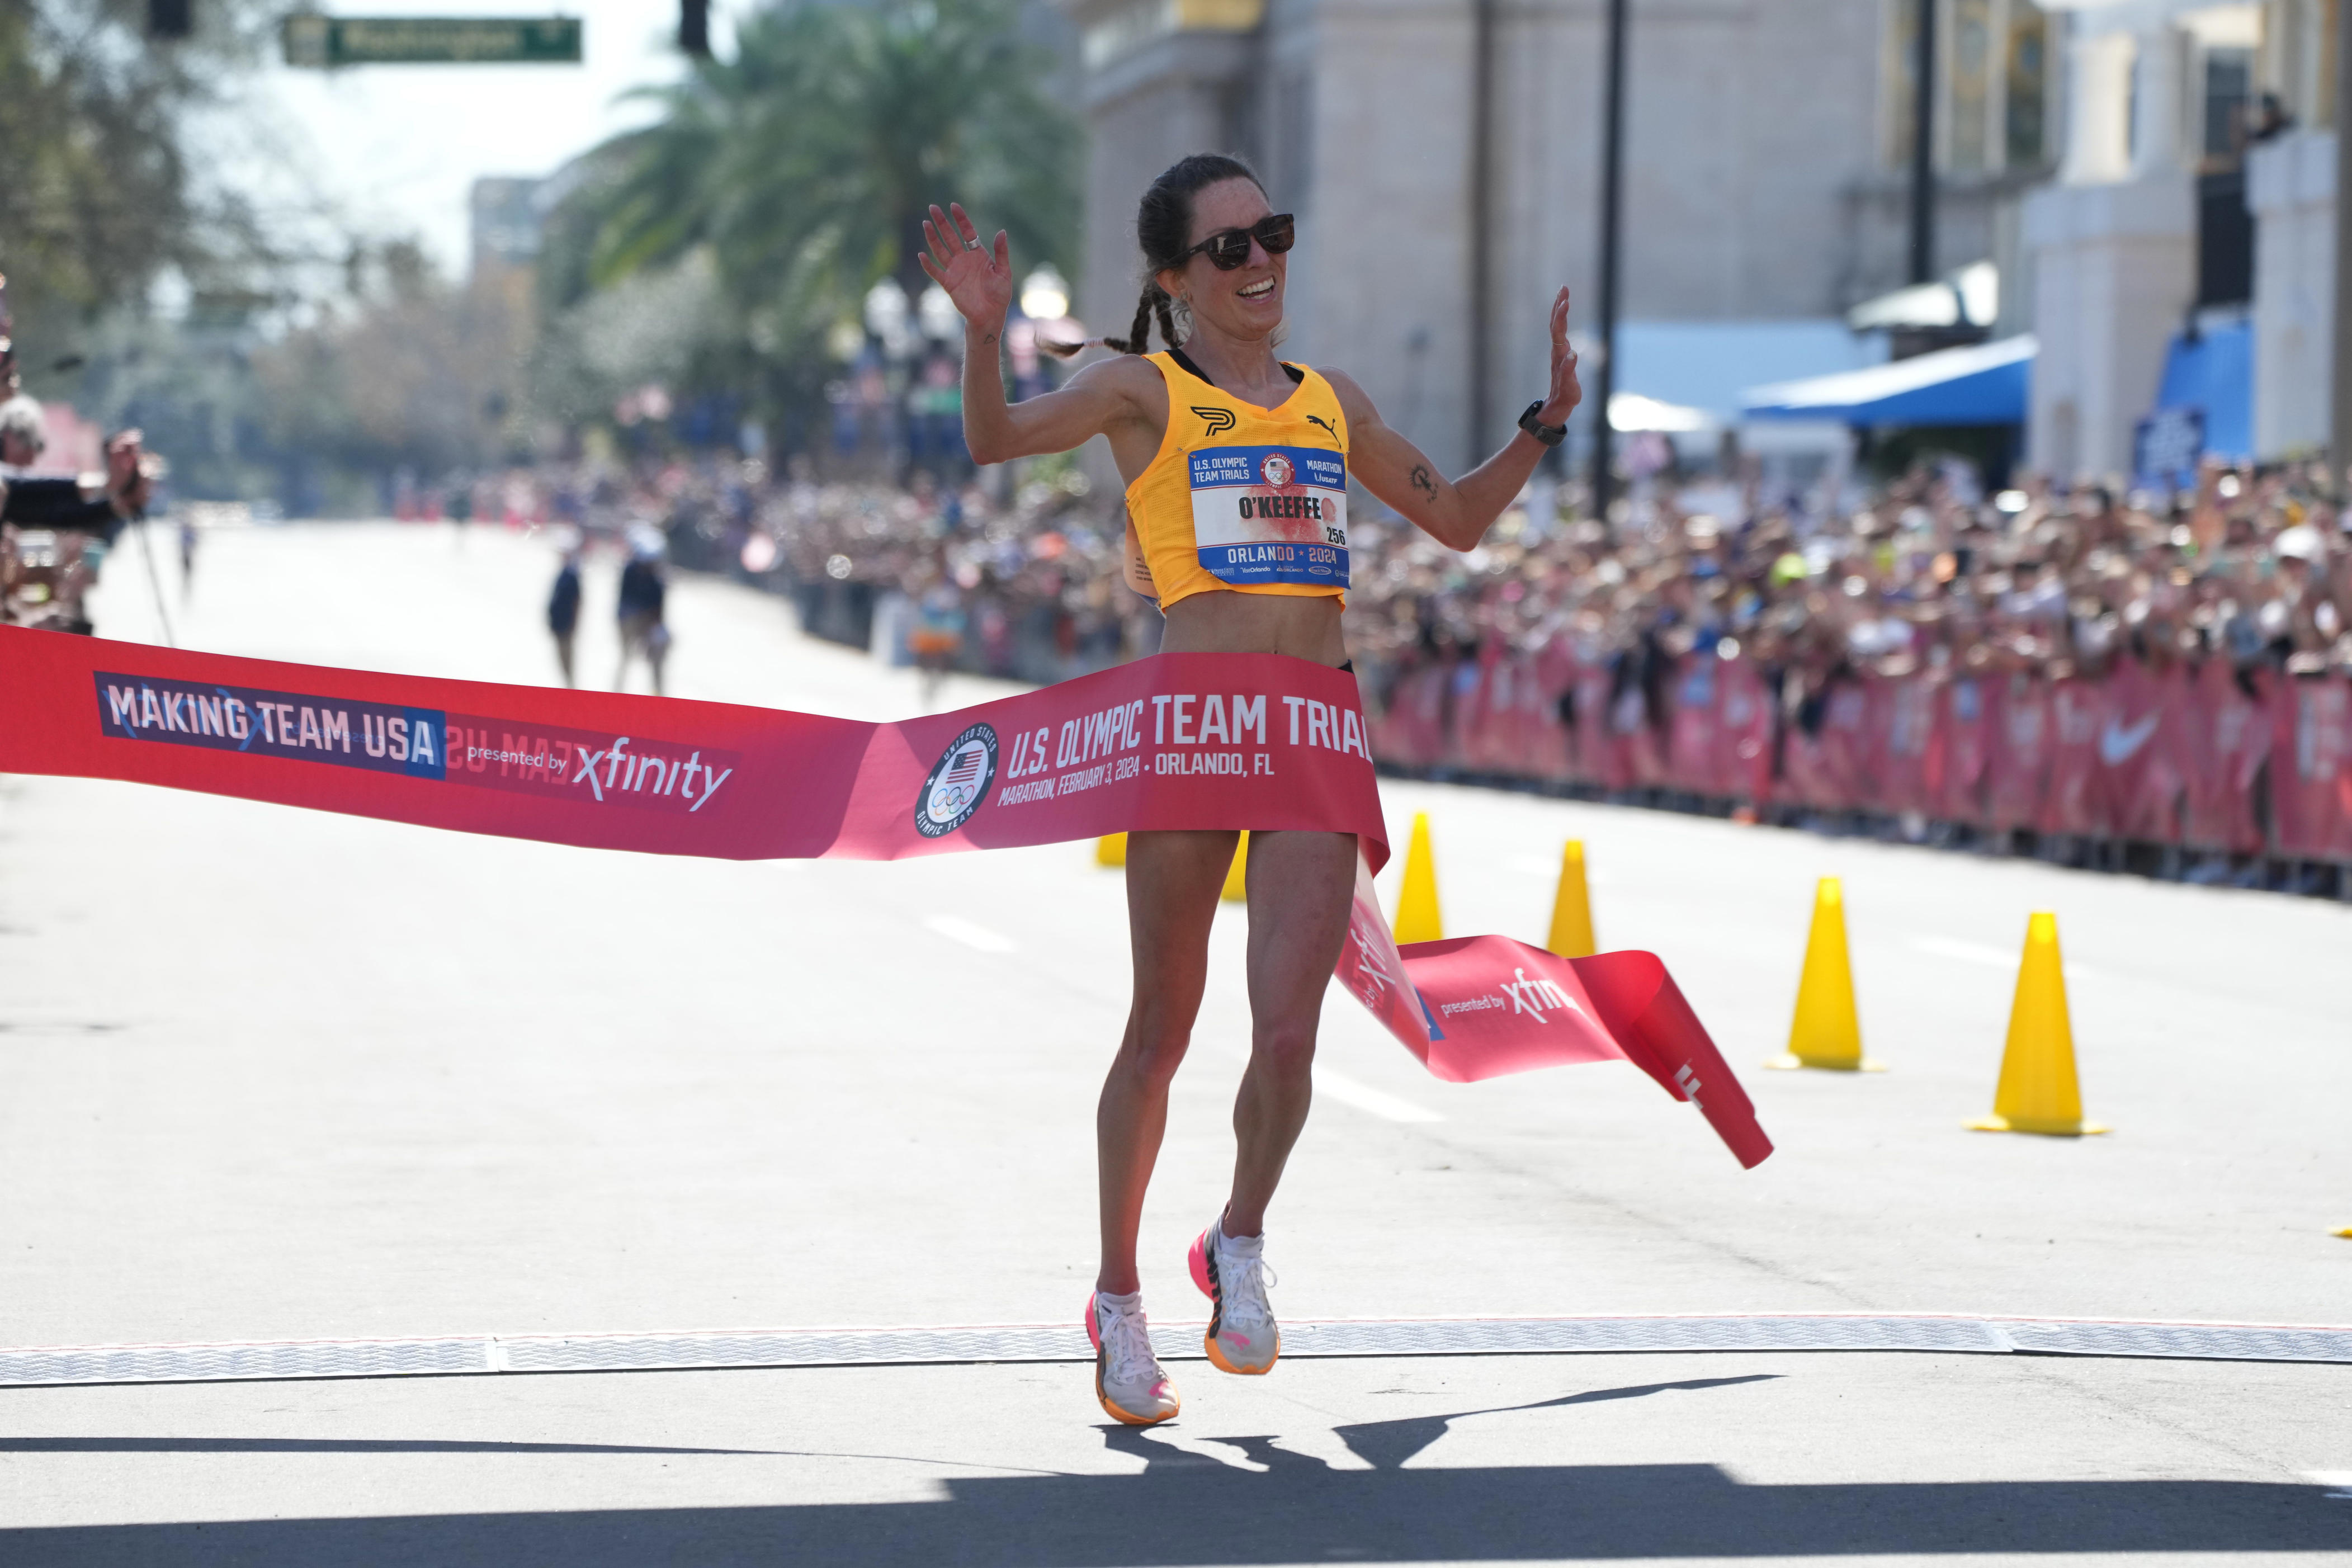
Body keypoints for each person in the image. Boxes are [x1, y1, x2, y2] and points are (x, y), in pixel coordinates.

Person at [918, 153, 1581, 1425]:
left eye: (1268, 232)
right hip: (1194, 726)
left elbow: (1453, 521)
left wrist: (1540, 425)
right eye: (1225, 247)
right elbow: (992, 437)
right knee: (1160, 1029)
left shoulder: (1329, 399)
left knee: (1288, 1038)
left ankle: (1236, 1235)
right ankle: (1116, 1296)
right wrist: (985, 336)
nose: (1257, 260)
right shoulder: (1139, 389)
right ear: (1173, 277)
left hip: (1314, 728)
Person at [615, 530, 670, 696]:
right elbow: (627, 602)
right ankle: (617, 692)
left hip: (648, 623)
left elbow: (658, 605)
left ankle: (658, 695)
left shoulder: (656, 578)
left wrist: (657, 627)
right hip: (630, 621)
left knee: (656, 662)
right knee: (625, 658)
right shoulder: (630, 571)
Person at [548, 535, 583, 687]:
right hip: (559, 624)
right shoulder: (565, 573)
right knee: (561, 661)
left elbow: (577, 602)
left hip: (566, 625)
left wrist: (573, 625)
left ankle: (570, 690)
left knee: (567, 660)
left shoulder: (572, 575)